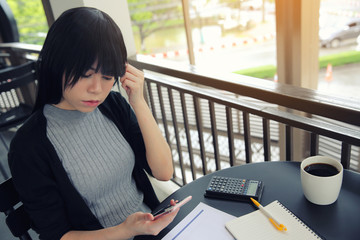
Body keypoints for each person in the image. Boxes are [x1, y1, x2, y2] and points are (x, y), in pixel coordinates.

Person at [8, 7, 178, 240]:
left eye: (108, 77)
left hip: (152, 232)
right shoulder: (29, 145)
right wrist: (126, 230)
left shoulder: (114, 105)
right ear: (56, 65)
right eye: (85, 74)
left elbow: (163, 172)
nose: (96, 89)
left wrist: (138, 101)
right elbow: (58, 236)